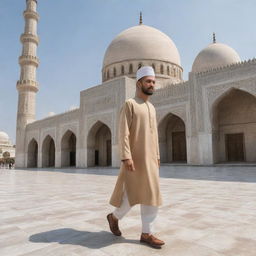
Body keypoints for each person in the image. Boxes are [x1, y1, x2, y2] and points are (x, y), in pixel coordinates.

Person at [107, 66, 164, 249]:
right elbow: (123, 132)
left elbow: (154, 135)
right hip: (134, 158)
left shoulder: (152, 108)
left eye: (154, 82)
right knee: (130, 196)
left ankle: (147, 233)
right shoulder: (130, 104)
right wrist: (126, 156)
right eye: (148, 81)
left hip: (151, 160)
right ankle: (114, 217)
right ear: (139, 83)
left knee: (151, 195)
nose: (152, 84)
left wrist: (157, 156)